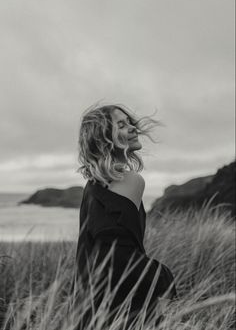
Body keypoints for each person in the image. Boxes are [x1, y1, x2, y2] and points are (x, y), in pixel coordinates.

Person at [71, 103, 177, 329]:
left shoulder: (92, 187)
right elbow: (118, 257)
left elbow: (100, 254)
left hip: (90, 309)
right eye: (121, 124)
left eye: (129, 122)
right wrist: (165, 279)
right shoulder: (130, 180)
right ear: (103, 138)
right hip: (120, 311)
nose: (132, 127)